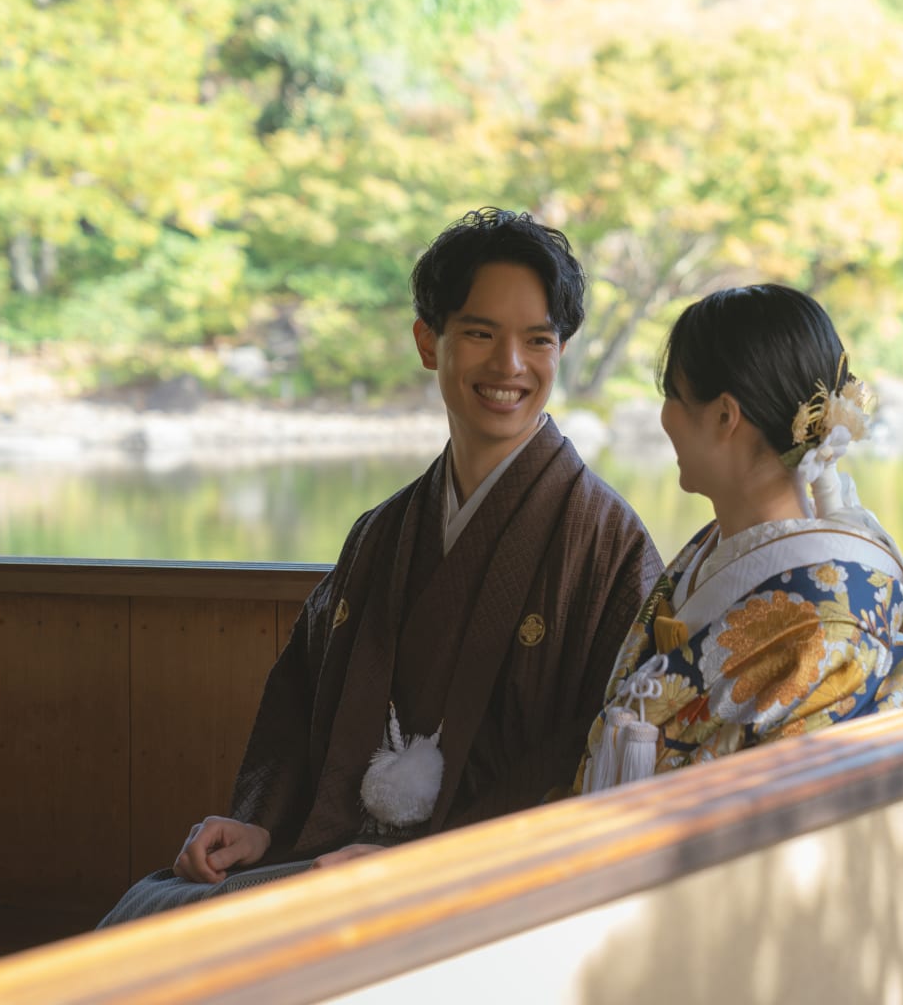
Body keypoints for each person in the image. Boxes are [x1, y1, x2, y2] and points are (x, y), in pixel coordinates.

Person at [102, 209, 662, 925]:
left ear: (561, 352)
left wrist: (431, 860)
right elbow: (299, 699)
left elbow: (599, 746)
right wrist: (259, 823)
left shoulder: (607, 544)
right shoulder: (382, 533)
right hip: (342, 854)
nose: (509, 366)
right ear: (429, 342)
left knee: (177, 936)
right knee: (150, 907)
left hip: (485, 882)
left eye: (538, 340)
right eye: (480, 334)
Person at [573, 285, 903, 793]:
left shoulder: (827, 618)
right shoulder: (719, 548)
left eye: (673, 396)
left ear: (725, 416)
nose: (664, 416)